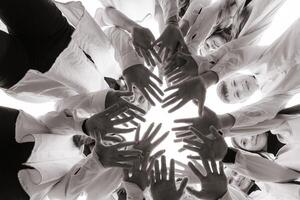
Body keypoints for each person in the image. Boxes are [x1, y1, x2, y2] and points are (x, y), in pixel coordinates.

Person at [182, 126, 300, 199]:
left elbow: (279, 175)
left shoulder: (282, 159)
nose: (237, 179)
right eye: (230, 181)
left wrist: (227, 155)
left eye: (235, 173)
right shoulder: (253, 195)